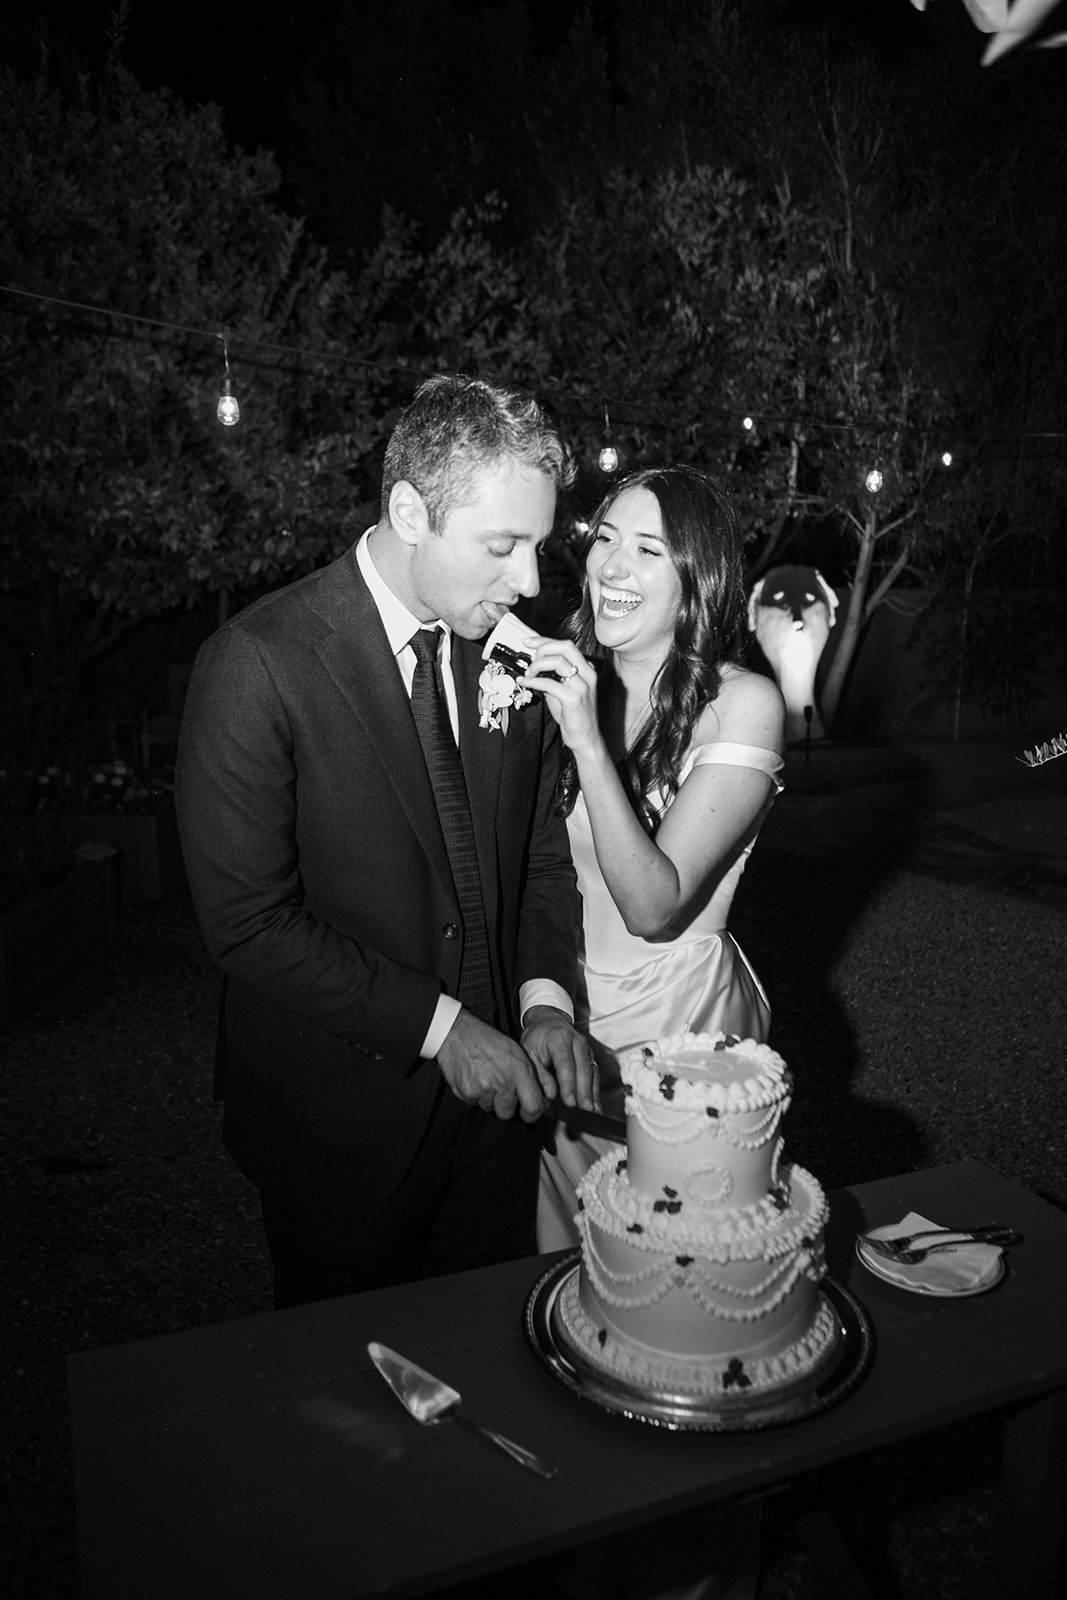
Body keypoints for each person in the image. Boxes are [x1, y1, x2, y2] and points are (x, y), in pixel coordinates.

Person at [175, 372, 596, 1309]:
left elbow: (536, 855)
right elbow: (246, 924)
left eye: (538, 544)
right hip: (341, 1121)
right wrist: (443, 1031)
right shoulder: (258, 665)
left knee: (489, 1359)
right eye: (502, 545)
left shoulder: (510, 655)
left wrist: (542, 1003)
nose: (529, 580)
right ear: (410, 512)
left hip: (496, 1128)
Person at [522, 463, 785, 1253]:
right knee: (571, 1270)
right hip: (565, 1023)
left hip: (680, 1032)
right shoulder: (567, 675)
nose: (610, 566)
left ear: (695, 578)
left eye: (646, 549)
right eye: (604, 539)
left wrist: (585, 740)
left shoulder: (742, 704)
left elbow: (652, 903)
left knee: (678, 1276)